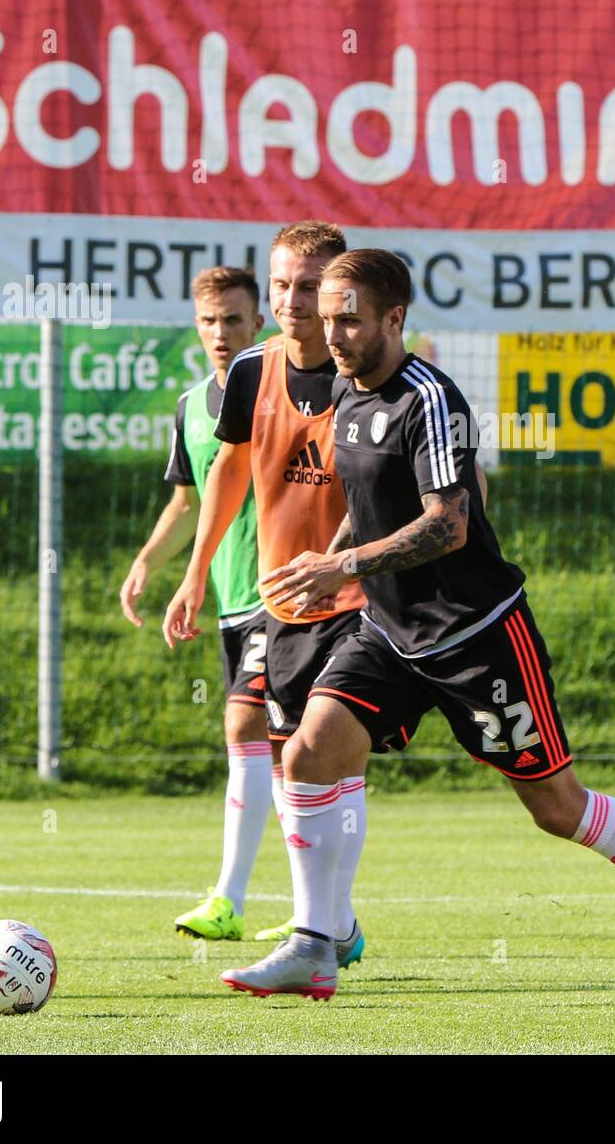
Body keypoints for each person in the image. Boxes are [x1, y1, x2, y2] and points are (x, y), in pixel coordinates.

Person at [219, 248, 615, 1004]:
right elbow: (379, 506)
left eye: (350, 318)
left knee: (558, 809)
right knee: (306, 754)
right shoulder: (344, 390)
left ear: (395, 318)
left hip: (476, 636)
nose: (333, 333)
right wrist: (327, 563)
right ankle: (314, 944)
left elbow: (450, 525)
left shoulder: (429, 398)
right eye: (328, 318)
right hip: (390, 636)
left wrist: (345, 565)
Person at [163, 222, 378, 965]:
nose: (293, 299)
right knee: (296, 763)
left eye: (311, 286)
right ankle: (332, 926)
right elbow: (225, 471)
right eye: (283, 283)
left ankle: (316, 930)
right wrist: (196, 572)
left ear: (340, 293)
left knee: (320, 753)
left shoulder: (368, 374)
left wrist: (345, 557)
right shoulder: (252, 371)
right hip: (284, 602)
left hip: (363, 599)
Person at [120, 265, 282, 942]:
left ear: (259, 323)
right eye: (210, 321)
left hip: (287, 592)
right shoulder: (191, 407)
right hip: (232, 600)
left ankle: (229, 901)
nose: (221, 334)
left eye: (234, 321)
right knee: (292, 753)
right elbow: (188, 501)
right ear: (197, 325)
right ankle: (334, 919)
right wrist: (149, 564)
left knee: (245, 729)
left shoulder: (282, 389)